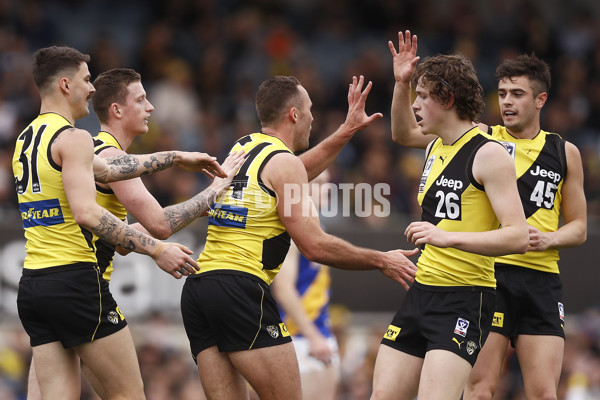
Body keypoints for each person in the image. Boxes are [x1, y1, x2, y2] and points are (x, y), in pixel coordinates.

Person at [180, 75, 420, 400]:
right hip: (240, 287)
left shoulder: (246, 147)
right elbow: (314, 245)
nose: (312, 117)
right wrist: (380, 260)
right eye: (309, 110)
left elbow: (295, 171)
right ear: (294, 115)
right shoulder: (283, 163)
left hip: (199, 288)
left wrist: (346, 130)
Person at [12, 46, 227, 400]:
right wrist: (158, 249)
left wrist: (177, 157)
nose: (92, 88)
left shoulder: (27, 139)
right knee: (127, 395)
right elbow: (88, 213)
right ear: (66, 85)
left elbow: (111, 170)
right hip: (76, 282)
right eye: (85, 79)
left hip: (35, 284)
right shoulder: (75, 138)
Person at [369, 31, 529, 400]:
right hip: (421, 291)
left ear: (448, 99)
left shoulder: (489, 154)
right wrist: (403, 83)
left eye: (424, 97)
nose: (416, 104)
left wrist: (447, 236)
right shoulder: (436, 145)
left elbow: (518, 236)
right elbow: (399, 132)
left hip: (464, 297)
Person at [462, 55, 587, 400]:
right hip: (492, 275)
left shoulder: (565, 152)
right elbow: (408, 134)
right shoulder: (481, 139)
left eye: (517, 94)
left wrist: (549, 238)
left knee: (544, 393)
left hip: (542, 281)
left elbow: (579, 227)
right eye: (502, 93)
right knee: (480, 388)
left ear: (540, 99)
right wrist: (402, 85)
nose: (506, 102)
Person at [271, 169, 340, 400]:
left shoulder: (315, 227)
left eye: (327, 182)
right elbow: (283, 288)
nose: (327, 188)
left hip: (316, 331)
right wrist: (313, 337)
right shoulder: (291, 231)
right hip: (300, 337)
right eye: (319, 183)